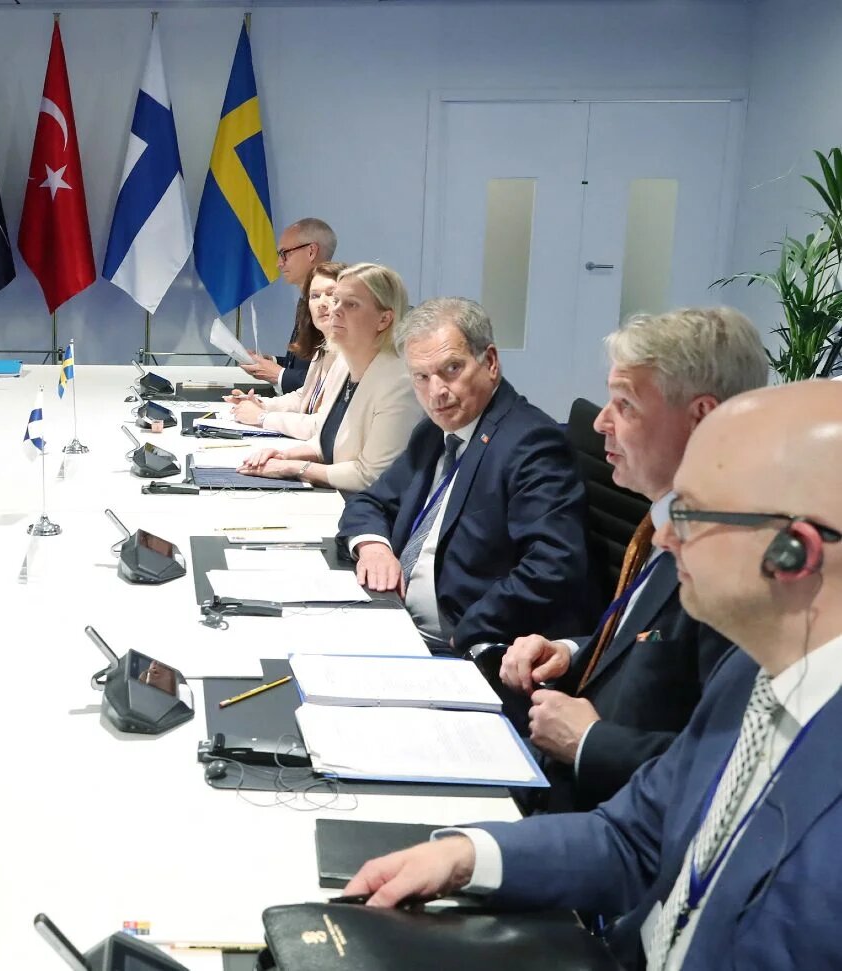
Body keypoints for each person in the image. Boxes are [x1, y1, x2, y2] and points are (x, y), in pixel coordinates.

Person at [345, 381, 842, 971]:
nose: (662, 536)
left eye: (689, 513)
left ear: (795, 552)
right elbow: (633, 838)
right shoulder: (751, 676)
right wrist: (465, 855)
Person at [498, 308, 764, 812]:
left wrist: (591, 743)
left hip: (611, 820)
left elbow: (732, 769)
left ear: (702, 417)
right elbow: (648, 642)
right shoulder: (672, 519)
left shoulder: (737, 565)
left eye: (625, 405)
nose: (600, 422)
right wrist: (571, 651)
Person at [336, 296, 589, 653]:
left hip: (460, 646)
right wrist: (373, 548)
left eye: (451, 369)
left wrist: (469, 632)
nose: (436, 392)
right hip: (392, 618)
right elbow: (369, 502)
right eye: (421, 377)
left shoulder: (531, 444)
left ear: (490, 362)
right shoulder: (434, 432)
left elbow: (553, 565)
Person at [236, 263, 420, 493]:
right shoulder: (347, 363)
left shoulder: (398, 383)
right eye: (337, 301)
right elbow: (329, 439)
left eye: (350, 304)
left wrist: (295, 468)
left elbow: (370, 476)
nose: (335, 310)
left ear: (384, 320)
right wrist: (283, 455)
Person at [228, 261, 348, 439]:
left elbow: (324, 426)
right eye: (314, 296)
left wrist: (262, 417)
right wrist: (260, 404)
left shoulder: (352, 356)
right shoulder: (324, 348)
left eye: (331, 294)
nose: (322, 303)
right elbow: (304, 397)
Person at [241, 217, 336, 393]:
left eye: (285, 253)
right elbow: (307, 365)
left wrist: (278, 374)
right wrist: (272, 363)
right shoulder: (305, 301)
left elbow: (328, 383)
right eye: (315, 296)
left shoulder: (334, 310)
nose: (279, 263)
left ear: (311, 251)